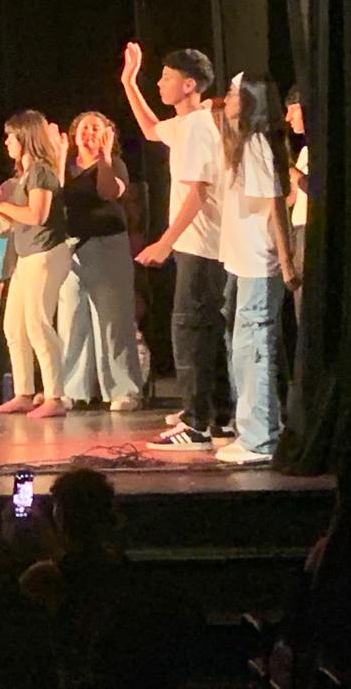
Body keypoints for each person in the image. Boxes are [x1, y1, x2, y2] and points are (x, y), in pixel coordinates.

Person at [119, 43, 230, 451]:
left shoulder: (200, 126)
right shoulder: (185, 125)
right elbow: (150, 129)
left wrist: (165, 242)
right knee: (201, 328)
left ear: (188, 85)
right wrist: (129, 82)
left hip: (202, 244)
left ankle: (197, 423)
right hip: (196, 244)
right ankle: (215, 417)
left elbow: (198, 193)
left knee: (189, 329)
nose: (160, 83)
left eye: (166, 78)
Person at [213, 72, 298, 465]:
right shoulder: (245, 143)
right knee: (247, 348)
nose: (226, 98)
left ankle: (260, 437)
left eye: (233, 93)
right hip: (244, 263)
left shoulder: (258, 145)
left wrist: (286, 261)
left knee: (256, 348)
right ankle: (258, 429)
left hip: (260, 265)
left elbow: (274, 205)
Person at [0, 111, 73, 418]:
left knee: (38, 325)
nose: (6, 143)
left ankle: (55, 395)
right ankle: (24, 392)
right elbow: (15, 222)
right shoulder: (23, 177)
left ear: (25, 138)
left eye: (10, 137)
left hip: (45, 254)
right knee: (13, 328)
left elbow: (37, 216)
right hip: (25, 257)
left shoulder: (41, 171)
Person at [58, 111, 147, 411]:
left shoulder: (115, 164)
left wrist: (106, 159)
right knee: (72, 320)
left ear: (108, 134)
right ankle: (74, 388)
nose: (88, 133)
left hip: (107, 245)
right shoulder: (67, 166)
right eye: (83, 128)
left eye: (95, 128)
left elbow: (108, 191)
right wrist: (59, 160)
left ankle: (124, 389)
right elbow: (57, 199)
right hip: (72, 249)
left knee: (113, 320)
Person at [285, 84, 309, 289]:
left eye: (292, 110)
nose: (287, 118)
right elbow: (294, 198)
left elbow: (317, 189)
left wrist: (294, 172)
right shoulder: (304, 152)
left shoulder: (319, 152)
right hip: (296, 228)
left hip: (308, 229)